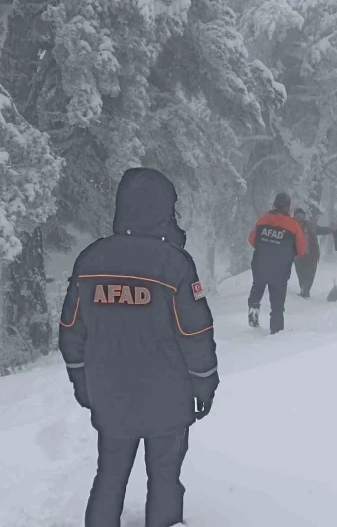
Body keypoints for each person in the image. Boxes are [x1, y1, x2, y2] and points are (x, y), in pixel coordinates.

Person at [58, 168, 219, 527]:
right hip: (168, 398)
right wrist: (205, 383)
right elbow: (195, 333)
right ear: (164, 208)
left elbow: (71, 329)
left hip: (110, 395)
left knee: (109, 478)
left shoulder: (90, 259)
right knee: (164, 479)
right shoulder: (175, 262)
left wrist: (80, 381)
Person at [248, 193, 307, 334]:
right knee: (277, 300)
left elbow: (252, 240)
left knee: (257, 287)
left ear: (274, 204)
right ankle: (276, 329)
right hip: (280, 269)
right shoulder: (293, 225)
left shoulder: (263, 219)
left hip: (260, 264)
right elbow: (301, 250)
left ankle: (253, 310)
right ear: (288, 206)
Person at [293, 207, 333, 298]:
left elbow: (321, 230)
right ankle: (303, 289)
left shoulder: (310, 226)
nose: (299, 217)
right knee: (301, 274)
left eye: (301, 215)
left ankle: (306, 291)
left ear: (304, 216)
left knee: (310, 274)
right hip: (298, 256)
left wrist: (331, 229)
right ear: (294, 216)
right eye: (297, 215)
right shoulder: (291, 226)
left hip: (311, 254)